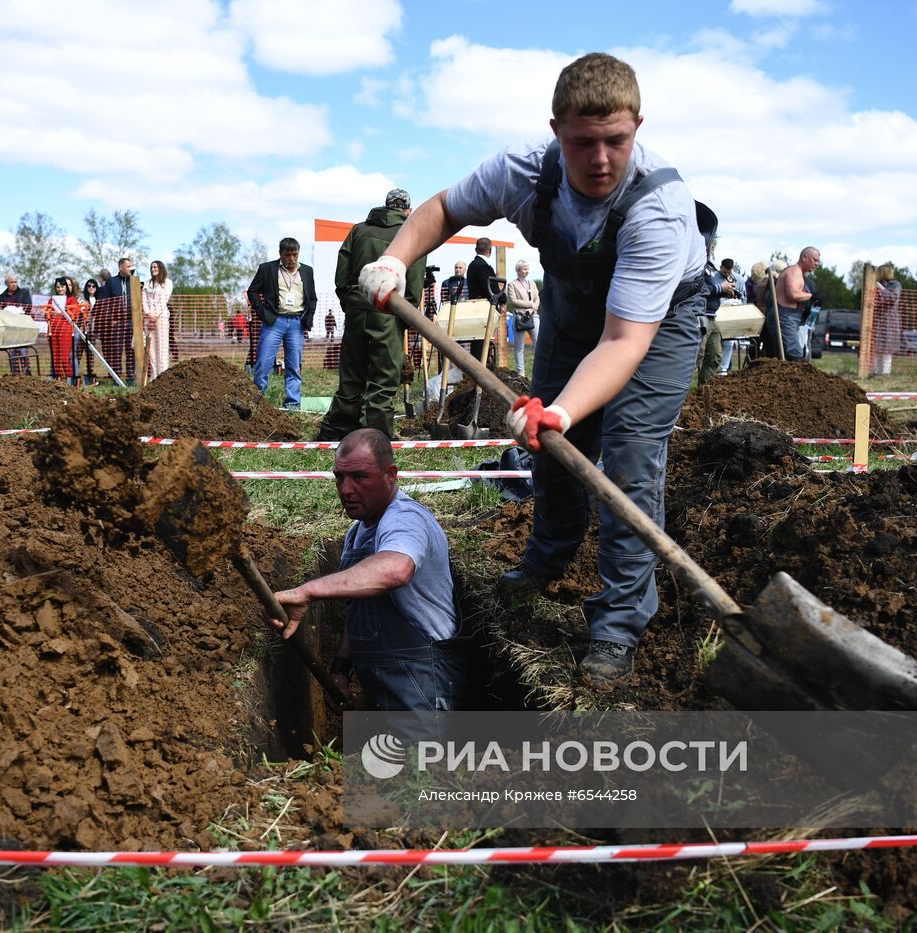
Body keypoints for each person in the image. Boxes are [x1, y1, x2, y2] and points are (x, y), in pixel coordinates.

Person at [357, 52, 706, 686]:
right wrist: (395, 258)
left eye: (616, 141)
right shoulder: (522, 170)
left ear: (639, 128)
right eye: (582, 143)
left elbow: (625, 342)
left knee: (627, 455)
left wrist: (563, 409)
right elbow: (444, 208)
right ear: (556, 132)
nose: (600, 159)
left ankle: (618, 623)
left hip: (658, 325)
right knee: (551, 450)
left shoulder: (660, 210)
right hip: (574, 306)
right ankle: (548, 559)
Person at [267, 429, 465, 711]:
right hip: (386, 683)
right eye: (339, 477)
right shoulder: (357, 531)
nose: (346, 490)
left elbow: (395, 569)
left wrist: (308, 591)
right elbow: (362, 611)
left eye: (360, 477)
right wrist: (341, 670)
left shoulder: (406, 519)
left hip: (425, 684)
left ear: (391, 474)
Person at [316, 190, 424, 440]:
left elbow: (342, 272)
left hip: (356, 307)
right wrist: (405, 315)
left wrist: (350, 300)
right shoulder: (410, 233)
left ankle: (339, 429)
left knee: (352, 371)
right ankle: (375, 436)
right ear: (407, 210)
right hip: (389, 310)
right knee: (384, 374)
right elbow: (415, 278)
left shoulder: (358, 230)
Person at [247, 237, 318, 410]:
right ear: (281, 254)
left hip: (296, 323)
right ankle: (257, 403)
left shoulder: (307, 271)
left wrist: (308, 318)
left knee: (293, 367)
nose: (292, 258)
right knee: (263, 364)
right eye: (288, 255)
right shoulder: (267, 269)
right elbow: (253, 291)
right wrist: (262, 312)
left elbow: (312, 298)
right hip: (274, 322)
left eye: (295, 254)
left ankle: (292, 405)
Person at [695, 228, 737, 387]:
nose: (713, 245)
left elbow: (711, 290)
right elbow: (700, 289)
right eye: (712, 243)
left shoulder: (709, 266)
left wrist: (724, 292)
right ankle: (679, 394)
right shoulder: (698, 263)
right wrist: (721, 288)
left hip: (711, 316)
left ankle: (703, 392)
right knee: (696, 356)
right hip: (700, 316)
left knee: (715, 357)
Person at [767, 247, 819, 361]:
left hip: (789, 317)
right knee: (795, 354)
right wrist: (812, 296)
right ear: (804, 258)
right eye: (814, 260)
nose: (817, 264)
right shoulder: (794, 272)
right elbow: (793, 295)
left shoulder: (798, 273)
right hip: (785, 317)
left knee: (785, 356)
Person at [101, 258, 137, 385]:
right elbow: (104, 302)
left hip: (131, 322)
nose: (130, 268)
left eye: (131, 266)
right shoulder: (111, 282)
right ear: (121, 267)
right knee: (116, 351)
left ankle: (130, 379)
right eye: (128, 266)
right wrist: (110, 319)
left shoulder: (134, 281)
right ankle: (116, 379)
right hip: (116, 322)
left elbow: (138, 300)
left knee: (131, 351)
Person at [44, 277, 85, 385]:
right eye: (58, 287)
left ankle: (70, 379)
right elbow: (46, 314)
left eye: (62, 286)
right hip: (53, 330)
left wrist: (60, 313)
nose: (60, 289)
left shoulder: (71, 299)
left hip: (65, 330)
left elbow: (74, 315)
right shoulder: (51, 300)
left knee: (64, 357)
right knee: (55, 357)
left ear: (66, 287)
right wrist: (50, 314)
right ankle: (57, 380)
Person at [505, 260, 540, 378]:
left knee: (538, 345)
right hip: (520, 318)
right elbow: (513, 301)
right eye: (524, 269)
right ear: (518, 271)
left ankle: (540, 370)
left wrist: (533, 307)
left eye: (527, 269)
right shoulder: (512, 284)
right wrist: (531, 304)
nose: (527, 271)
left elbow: (537, 298)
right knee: (519, 347)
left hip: (533, 316)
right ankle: (521, 373)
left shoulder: (532, 283)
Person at [0, 274, 35, 376]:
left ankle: (27, 374)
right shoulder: (1, 297)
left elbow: (28, 307)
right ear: (6, 283)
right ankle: (15, 376)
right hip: (10, 330)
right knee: (12, 354)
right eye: (11, 282)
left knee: (23, 352)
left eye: (15, 282)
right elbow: (0, 311)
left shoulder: (24, 293)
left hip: (22, 328)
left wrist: (15, 311)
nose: (14, 284)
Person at [868, 263, 901, 376]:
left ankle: (885, 374)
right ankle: (874, 373)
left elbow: (893, 298)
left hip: (889, 322)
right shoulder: (874, 284)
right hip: (876, 320)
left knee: (887, 349)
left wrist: (881, 288)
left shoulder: (895, 284)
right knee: (875, 348)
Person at [143, 260, 173, 381]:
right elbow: (143, 299)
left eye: (155, 267)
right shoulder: (147, 283)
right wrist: (148, 314)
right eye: (151, 267)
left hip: (161, 318)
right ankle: (154, 377)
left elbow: (164, 300)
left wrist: (155, 315)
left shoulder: (167, 283)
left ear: (160, 268)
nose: (153, 269)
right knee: (151, 349)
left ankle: (163, 376)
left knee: (162, 347)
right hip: (148, 318)